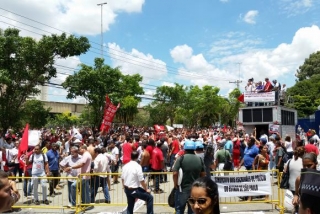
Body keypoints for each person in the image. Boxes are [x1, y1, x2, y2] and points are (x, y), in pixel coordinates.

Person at [173, 140, 206, 214]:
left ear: (185, 148)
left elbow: (175, 173)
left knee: (179, 209)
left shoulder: (181, 159)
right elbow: (203, 174)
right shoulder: (199, 159)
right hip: (195, 190)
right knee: (192, 210)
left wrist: (175, 184)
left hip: (182, 189)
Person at [283, 146, 304, 213]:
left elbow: (284, 171)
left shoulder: (289, 161)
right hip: (300, 186)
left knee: (293, 203)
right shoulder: (304, 162)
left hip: (291, 185)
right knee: (300, 204)